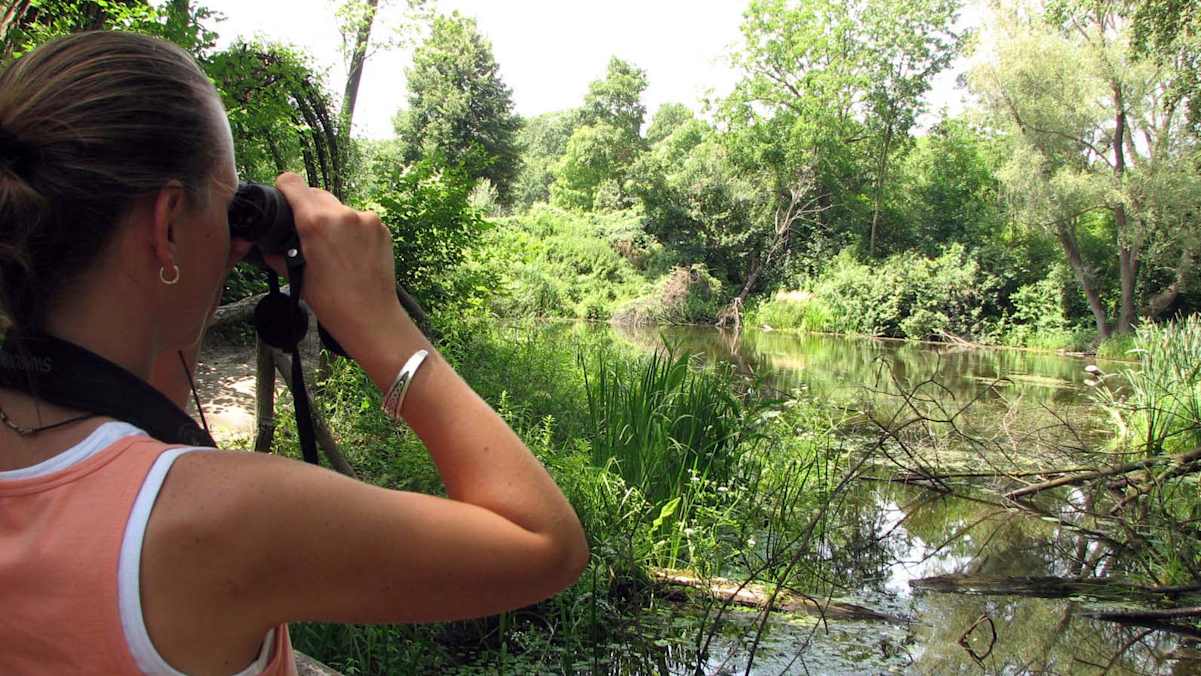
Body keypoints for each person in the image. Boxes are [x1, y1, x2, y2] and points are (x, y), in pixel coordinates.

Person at [0, 30, 588, 675]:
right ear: (167, 222)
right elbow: (546, 545)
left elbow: (125, 424)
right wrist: (379, 322)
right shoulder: (221, 516)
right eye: (227, 205)